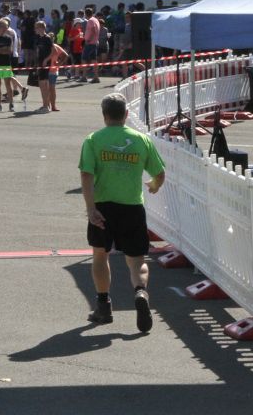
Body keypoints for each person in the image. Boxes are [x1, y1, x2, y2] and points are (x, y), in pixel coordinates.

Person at [80, 92, 165, 331]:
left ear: (104, 115)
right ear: (126, 114)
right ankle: (140, 291)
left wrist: (90, 208)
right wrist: (154, 187)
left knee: (100, 255)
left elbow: (86, 174)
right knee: (137, 260)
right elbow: (159, 174)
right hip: (132, 206)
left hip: (104, 206)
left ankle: (104, 304)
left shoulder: (93, 140)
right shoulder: (141, 140)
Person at [0, 18, 26, 112]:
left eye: (7, 27)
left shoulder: (8, 38)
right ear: (0, 27)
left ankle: (11, 104)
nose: (6, 29)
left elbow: (9, 51)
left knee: (8, 84)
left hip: (6, 63)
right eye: (5, 27)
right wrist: (2, 49)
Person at [34, 21, 69, 113]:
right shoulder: (39, 38)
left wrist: (46, 60)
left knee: (45, 86)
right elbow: (39, 51)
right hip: (40, 64)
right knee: (42, 86)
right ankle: (45, 105)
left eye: (36, 28)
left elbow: (53, 51)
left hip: (46, 65)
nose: (35, 30)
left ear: (41, 28)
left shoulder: (47, 38)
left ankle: (46, 106)